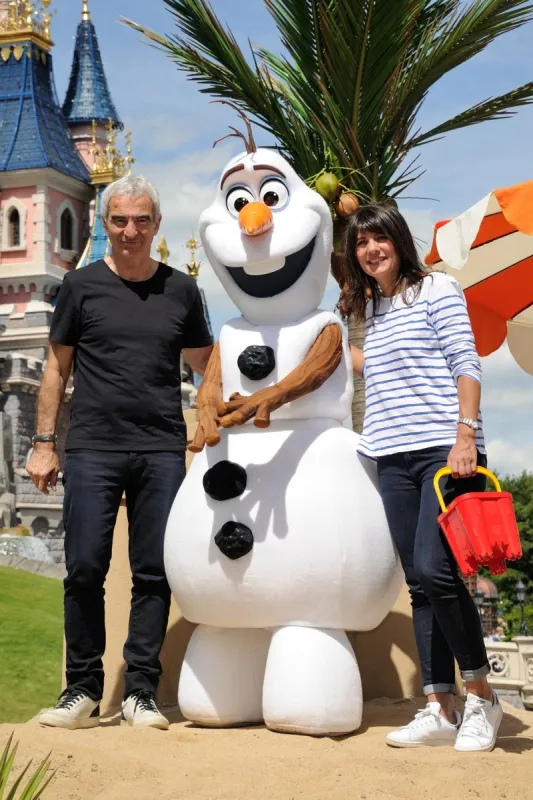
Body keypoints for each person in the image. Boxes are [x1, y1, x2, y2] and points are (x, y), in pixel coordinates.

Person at [27, 175, 213, 730]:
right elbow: (56, 369)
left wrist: (228, 415)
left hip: (160, 447)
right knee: (84, 567)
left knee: (153, 572)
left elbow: (209, 365)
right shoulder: (80, 287)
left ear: (157, 225)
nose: (130, 232)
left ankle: (139, 693)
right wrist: (43, 444)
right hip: (91, 447)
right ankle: (81, 691)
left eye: (141, 221)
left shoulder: (181, 290)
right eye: (118, 221)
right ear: (104, 225)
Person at [341, 203, 503, 752]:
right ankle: (439, 705)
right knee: (417, 581)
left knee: (437, 572)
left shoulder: (436, 288)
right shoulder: (373, 306)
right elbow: (374, 368)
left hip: (442, 452)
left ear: (398, 241)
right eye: (361, 243)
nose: (371, 250)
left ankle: (481, 694)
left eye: (379, 239)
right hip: (392, 457)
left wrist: (465, 434)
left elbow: (466, 361)